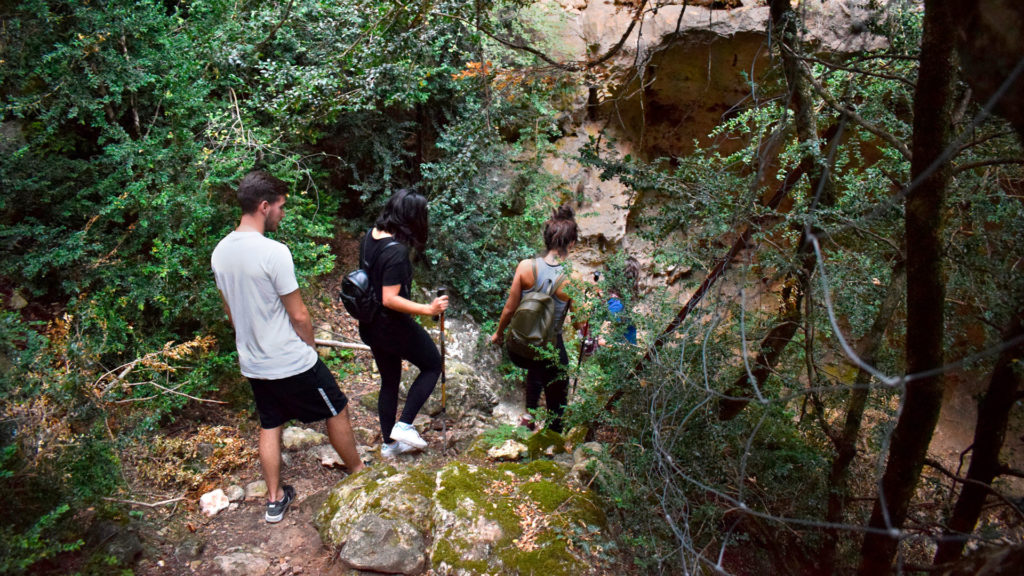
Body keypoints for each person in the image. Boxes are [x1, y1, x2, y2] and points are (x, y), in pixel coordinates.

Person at [211, 170, 365, 524]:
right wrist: (309, 350)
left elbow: (231, 313)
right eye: (281, 207)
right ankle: (359, 472)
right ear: (264, 206)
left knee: (270, 424)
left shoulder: (220, 253)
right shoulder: (274, 252)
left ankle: (274, 499)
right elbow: (299, 315)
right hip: (290, 360)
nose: (283, 213)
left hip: (253, 361)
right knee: (336, 407)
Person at [357, 188, 448, 459]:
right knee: (433, 365)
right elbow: (390, 298)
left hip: (370, 324)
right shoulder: (396, 252)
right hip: (391, 325)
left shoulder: (370, 236)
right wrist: (428, 308)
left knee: (389, 381)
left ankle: (389, 445)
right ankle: (405, 424)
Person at [491, 205, 580, 433]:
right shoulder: (572, 278)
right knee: (557, 373)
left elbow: (510, 309)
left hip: (519, 349)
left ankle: (528, 415)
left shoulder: (525, 267)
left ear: (548, 240)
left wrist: (499, 334)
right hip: (547, 349)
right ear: (570, 244)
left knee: (536, 360)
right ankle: (552, 434)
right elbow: (580, 323)